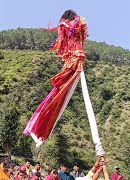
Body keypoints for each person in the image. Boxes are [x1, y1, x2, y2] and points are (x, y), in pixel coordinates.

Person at [23, 9, 89, 147]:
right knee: (61, 89)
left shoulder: (64, 25)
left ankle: (42, 124)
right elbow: (83, 38)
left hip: (72, 59)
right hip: (81, 55)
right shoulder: (81, 22)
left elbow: (62, 45)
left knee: (58, 91)